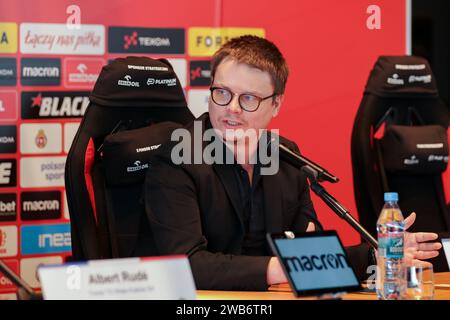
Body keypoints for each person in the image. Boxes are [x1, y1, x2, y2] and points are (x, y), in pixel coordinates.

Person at [143, 35, 442, 291]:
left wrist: (374, 257)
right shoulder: (177, 157)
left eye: (248, 98)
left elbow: (310, 256)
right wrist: (284, 268)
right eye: (222, 93)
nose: (231, 109)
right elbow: (187, 264)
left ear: (276, 104)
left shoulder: (287, 158)